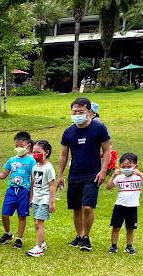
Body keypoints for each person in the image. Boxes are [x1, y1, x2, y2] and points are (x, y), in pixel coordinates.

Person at [57, 96, 111, 252]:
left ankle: (86, 237)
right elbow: (63, 155)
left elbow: (107, 150)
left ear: (89, 112)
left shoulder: (99, 128)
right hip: (75, 173)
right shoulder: (68, 132)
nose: (77, 114)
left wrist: (103, 171)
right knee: (76, 208)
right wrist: (60, 175)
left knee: (87, 207)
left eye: (81, 111)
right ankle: (79, 236)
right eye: (74, 111)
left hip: (92, 173)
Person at [0, 131, 36, 249]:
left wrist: (31, 196)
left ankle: (19, 239)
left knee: (21, 216)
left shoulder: (31, 161)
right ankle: (8, 233)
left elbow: (33, 179)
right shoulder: (11, 160)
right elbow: (3, 175)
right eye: (16, 146)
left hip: (24, 191)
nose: (18, 148)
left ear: (28, 146)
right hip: (11, 190)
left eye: (21, 146)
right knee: (4, 214)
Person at [105, 152, 143, 255]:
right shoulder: (119, 178)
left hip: (132, 207)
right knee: (116, 227)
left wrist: (140, 174)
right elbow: (108, 187)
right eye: (123, 167)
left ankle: (129, 246)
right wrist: (113, 176)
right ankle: (113, 246)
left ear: (135, 166)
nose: (126, 169)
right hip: (119, 206)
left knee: (130, 228)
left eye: (129, 166)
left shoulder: (138, 178)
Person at [27, 140, 56, 257]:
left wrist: (51, 202)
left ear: (46, 152)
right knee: (36, 222)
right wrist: (31, 197)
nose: (35, 154)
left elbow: (52, 185)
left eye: (38, 152)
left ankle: (38, 248)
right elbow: (33, 183)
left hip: (44, 199)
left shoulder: (49, 168)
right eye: (34, 152)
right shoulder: (34, 167)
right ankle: (41, 242)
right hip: (36, 199)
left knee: (39, 223)